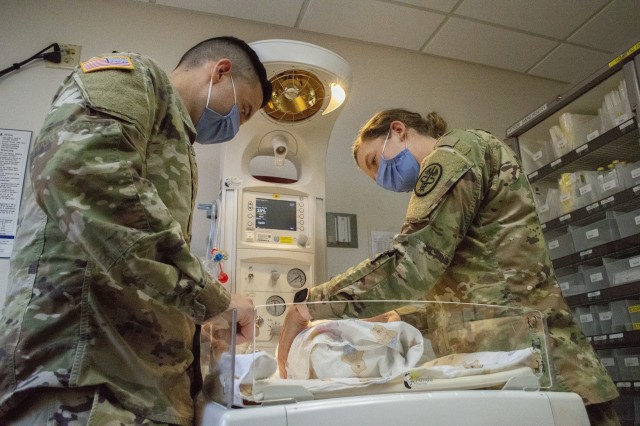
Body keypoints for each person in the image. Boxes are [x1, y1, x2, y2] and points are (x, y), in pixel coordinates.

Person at [278, 109, 620, 425]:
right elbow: (473, 290)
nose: (382, 179)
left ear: (397, 130)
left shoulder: (456, 153)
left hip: (538, 366)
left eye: (374, 161)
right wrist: (401, 318)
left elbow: (410, 267)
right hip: (513, 365)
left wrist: (308, 304)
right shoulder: (458, 166)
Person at [0, 36, 272, 425]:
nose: (235, 126)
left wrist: (196, 328)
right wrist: (215, 301)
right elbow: (84, 175)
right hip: (85, 387)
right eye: (243, 110)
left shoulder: (177, 143)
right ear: (221, 71)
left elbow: (139, 262)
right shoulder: (135, 79)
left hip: (139, 393)